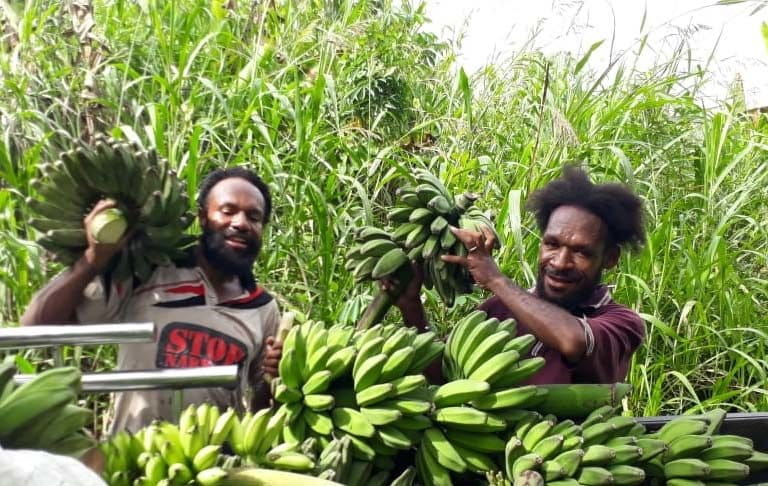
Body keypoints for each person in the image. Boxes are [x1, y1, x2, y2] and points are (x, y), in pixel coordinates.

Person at [21, 167, 282, 433]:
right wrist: (93, 260)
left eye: (254, 217)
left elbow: (263, 411)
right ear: (203, 217)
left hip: (215, 456)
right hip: (134, 450)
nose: (240, 223)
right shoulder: (148, 272)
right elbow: (34, 327)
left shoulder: (262, 307)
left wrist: (273, 376)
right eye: (227, 211)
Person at [389, 165, 645, 384]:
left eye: (581, 252)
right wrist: (411, 307)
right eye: (552, 244)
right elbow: (444, 378)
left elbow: (573, 341)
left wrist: (495, 279)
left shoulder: (622, 323)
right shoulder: (498, 310)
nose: (560, 262)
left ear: (610, 258)